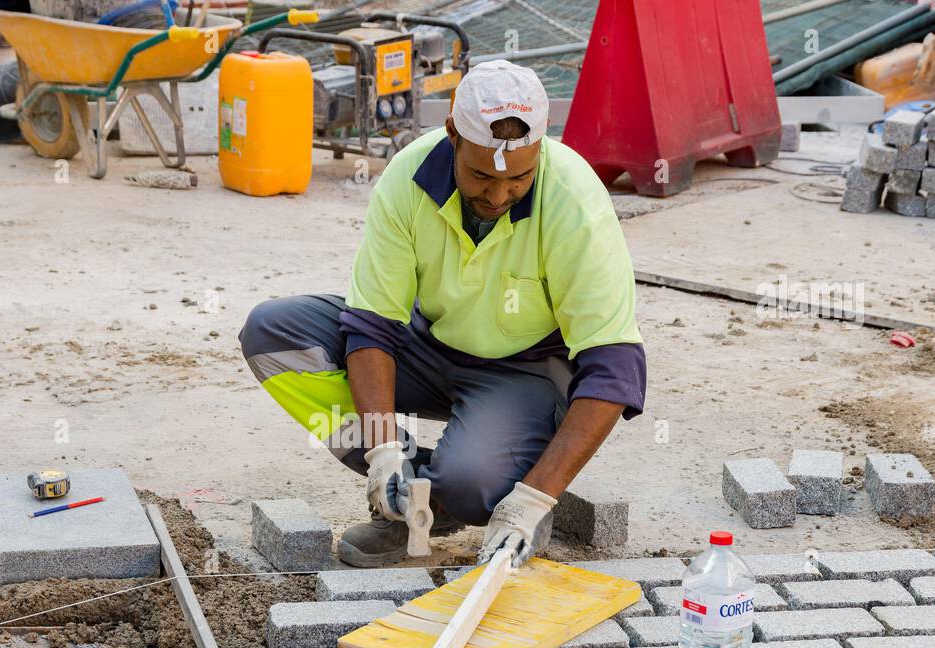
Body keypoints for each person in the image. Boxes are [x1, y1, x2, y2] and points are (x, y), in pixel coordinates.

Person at [239, 60, 645, 568]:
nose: (497, 196)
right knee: (274, 334)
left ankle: (475, 493)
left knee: (472, 484)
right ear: (452, 132)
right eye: (480, 174)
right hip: (426, 345)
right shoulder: (407, 178)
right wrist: (382, 451)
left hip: (524, 370)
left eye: (518, 178)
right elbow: (372, 326)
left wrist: (534, 500)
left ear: (541, 148)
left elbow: (614, 370)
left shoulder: (576, 205)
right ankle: (408, 491)